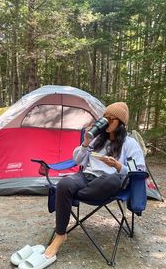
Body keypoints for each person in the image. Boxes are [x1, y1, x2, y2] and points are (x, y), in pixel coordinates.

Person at [44, 102, 146, 260]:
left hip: (109, 182)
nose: (106, 121)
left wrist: (119, 166)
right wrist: (85, 142)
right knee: (64, 184)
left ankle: (73, 194)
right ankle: (60, 235)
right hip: (87, 178)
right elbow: (77, 160)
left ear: (121, 123)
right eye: (105, 118)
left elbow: (138, 170)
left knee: (112, 180)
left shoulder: (129, 144)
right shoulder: (97, 140)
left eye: (111, 119)